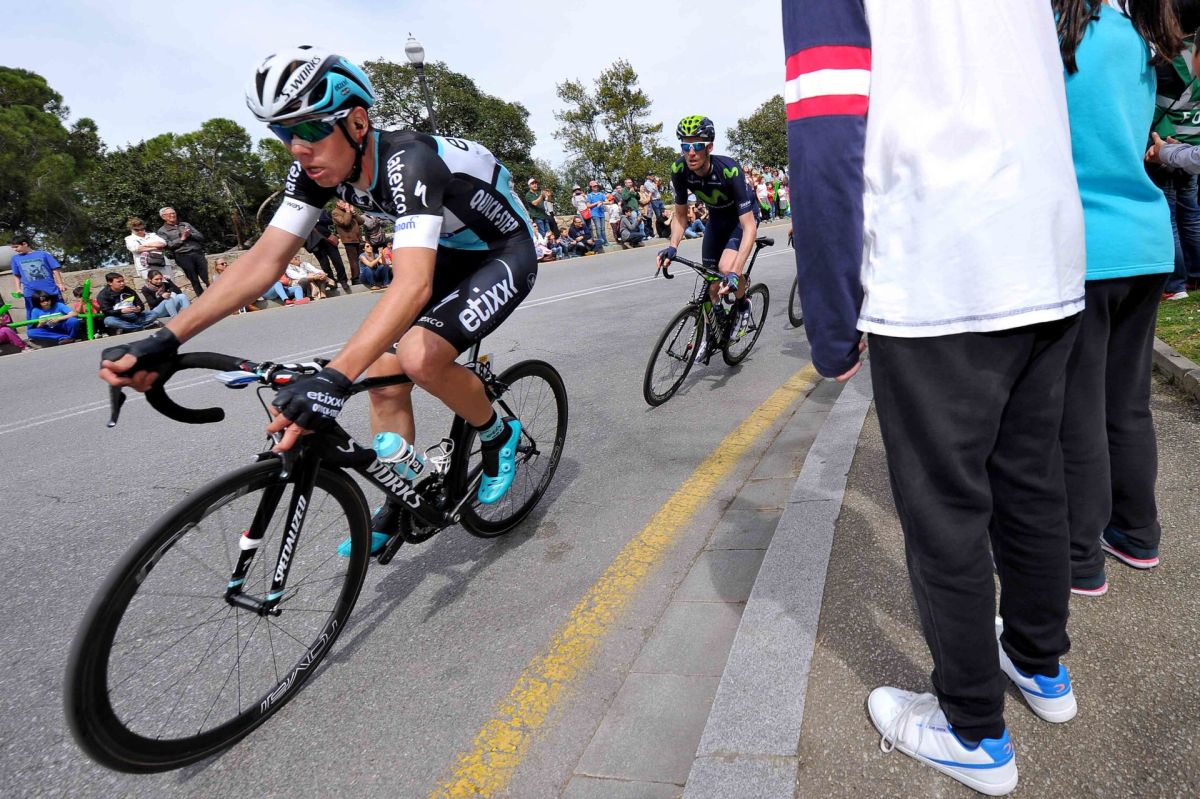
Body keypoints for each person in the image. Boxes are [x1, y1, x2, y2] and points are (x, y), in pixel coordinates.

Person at [783, 1, 1088, 794]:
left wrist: (831, 317)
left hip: (941, 248)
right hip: (1044, 238)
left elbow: (826, 131)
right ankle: (1039, 661)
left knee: (944, 509)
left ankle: (972, 728)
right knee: (1031, 477)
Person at [100, 46, 537, 559]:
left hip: (501, 252)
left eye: (309, 130)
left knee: (420, 358)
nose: (297, 149)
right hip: (447, 251)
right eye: (282, 134)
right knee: (383, 376)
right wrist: (164, 339)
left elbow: (412, 285)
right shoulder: (314, 172)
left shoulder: (409, 161)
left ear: (357, 122)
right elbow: (263, 262)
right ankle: (402, 496)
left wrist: (333, 379)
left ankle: (497, 432)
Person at [1056, 0, 1180, 598]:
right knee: (1128, 402)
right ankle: (1136, 532)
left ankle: (1080, 558)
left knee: (1078, 407)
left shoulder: (1059, 34)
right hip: (1146, 238)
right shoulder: (1141, 35)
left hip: (1085, 242)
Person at [657, 115, 759, 361]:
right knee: (710, 283)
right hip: (717, 219)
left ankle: (743, 304)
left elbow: (749, 227)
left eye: (697, 145)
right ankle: (712, 333)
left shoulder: (729, 170)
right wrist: (672, 246)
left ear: (709, 147)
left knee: (726, 268)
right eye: (685, 145)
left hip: (741, 219)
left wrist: (735, 271)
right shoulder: (679, 170)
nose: (690, 152)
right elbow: (681, 216)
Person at [1148, 0, 1200, 300]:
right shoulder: (1196, 53)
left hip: (1164, 145)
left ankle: (1174, 283)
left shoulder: (1165, 59)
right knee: (1191, 212)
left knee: (1168, 213)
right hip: (1194, 145)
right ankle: (1195, 275)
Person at [156, 207, 210, 297]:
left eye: (173, 213)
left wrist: (190, 235)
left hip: (197, 253)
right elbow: (168, 246)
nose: (172, 215)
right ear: (163, 217)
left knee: (206, 277)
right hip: (183, 256)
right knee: (194, 280)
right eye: (169, 214)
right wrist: (182, 238)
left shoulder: (185, 224)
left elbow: (201, 237)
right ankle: (203, 299)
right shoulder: (162, 231)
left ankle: (216, 295)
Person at [9, 234, 67, 316]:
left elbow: (55, 269)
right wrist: (18, 289)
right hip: (30, 292)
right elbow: (17, 275)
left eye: (16, 247)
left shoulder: (43, 254)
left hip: (50, 289)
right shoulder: (15, 259)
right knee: (32, 313)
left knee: (60, 310)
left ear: (25, 244)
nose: (15, 250)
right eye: (13, 248)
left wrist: (60, 284)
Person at [305, 209, 351, 290]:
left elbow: (330, 221)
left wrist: (318, 220)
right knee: (325, 264)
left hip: (327, 239)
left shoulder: (320, 211)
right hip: (315, 243)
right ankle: (331, 282)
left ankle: (343, 280)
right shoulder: (302, 215)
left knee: (337, 261)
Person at [124, 218, 173, 283]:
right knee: (153, 285)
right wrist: (155, 247)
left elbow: (163, 243)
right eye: (136, 230)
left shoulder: (152, 235)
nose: (140, 231)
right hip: (146, 267)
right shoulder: (129, 239)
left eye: (142, 229)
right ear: (131, 229)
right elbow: (136, 249)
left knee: (170, 283)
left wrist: (146, 245)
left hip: (162, 263)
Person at [332, 199, 366, 283]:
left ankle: (363, 275)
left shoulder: (349, 212)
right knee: (353, 260)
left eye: (346, 202)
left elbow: (362, 221)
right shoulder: (335, 212)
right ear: (338, 203)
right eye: (343, 202)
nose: (345, 204)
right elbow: (345, 223)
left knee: (361, 258)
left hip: (358, 239)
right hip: (348, 240)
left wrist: (353, 212)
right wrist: (347, 211)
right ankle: (355, 278)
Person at [585, 180, 609, 246]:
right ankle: (600, 242)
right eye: (594, 186)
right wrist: (596, 203)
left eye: (596, 186)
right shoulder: (589, 195)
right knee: (598, 228)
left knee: (603, 229)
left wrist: (601, 202)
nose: (596, 187)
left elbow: (608, 201)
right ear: (591, 187)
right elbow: (588, 205)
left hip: (601, 213)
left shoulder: (601, 194)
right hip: (594, 214)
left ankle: (605, 242)